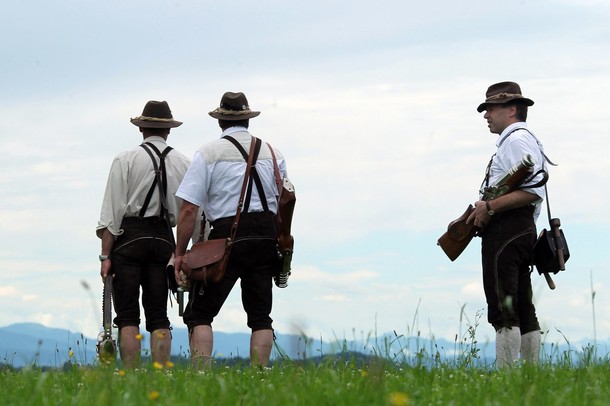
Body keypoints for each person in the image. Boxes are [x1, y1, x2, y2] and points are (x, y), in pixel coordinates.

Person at [173, 91, 288, 368]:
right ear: (247, 119)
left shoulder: (209, 153)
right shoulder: (273, 153)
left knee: (201, 313)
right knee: (261, 316)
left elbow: (189, 209)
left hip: (226, 237)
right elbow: (284, 200)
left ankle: (201, 374)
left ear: (220, 121)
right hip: (265, 235)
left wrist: (179, 253)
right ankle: (260, 375)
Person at [96, 100, 190, 368]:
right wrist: (183, 253)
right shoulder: (183, 163)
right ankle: (162, 373)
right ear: (169, 130)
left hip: (129, 238)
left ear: (141, 129)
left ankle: (130, 375)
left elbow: (111, 213)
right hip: (163, 239)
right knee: (159, 315)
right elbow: (188, 212)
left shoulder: (125, 159)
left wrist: (105, 254)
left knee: (127, 316)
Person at [466, 82, 547, 368]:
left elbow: (532, 191)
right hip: (521, 228)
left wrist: (488, 207)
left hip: (506, 229)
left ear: (512, 109)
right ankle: (530, 375)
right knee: (523, 309)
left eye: (492, 108)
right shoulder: (522, 140)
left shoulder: (515, 141)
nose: (486, 115)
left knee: (503, 308)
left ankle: (506, 378)